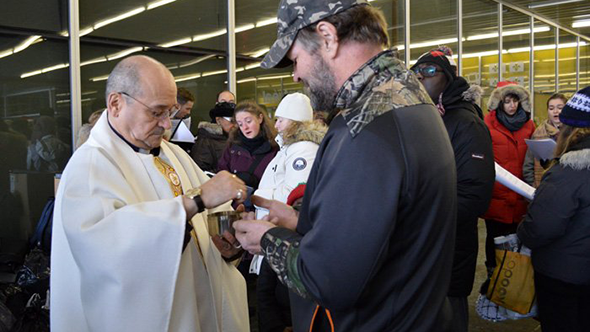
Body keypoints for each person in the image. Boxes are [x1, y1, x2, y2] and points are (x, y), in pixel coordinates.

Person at [233, 1, 457, 331]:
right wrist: (302, 223)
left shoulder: (365, 130)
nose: (296, 75)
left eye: (295, 60)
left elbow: (328, 279)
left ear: (327, 36)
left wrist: (268, 238)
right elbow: (387, 232)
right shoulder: (410, 100)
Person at [50, 55, 249, 332]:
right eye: (156, 112)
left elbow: (208, 236)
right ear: (116, 104)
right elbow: (108, 255)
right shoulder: (91, 165)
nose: (167, 124)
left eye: (171, 112)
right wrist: (194, 203)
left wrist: (229, 244)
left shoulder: (174, 154)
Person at [411, 46, 495, 332]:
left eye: (429, 71)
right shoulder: (424, 120)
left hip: (449, 250)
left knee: (448, 318)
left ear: (447, 77)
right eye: (416, 72)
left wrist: (420, 214)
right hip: (421, 249)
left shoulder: (465, 123)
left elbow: (474, 196)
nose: (421, 77)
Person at [517, 86, 590, 332]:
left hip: (565, 275)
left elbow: (540, 227)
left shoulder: (568, 174)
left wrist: (523, 229)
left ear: (571, 132)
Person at [482, 81, 535, 272]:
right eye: (507, 101)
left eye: (516, 101)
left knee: (519, 241)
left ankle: (514, 282)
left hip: (521, 194)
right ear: (499, 103)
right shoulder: (487, 125)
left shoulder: (529, 126)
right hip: (497, 195)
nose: (512, 105)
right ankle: (492, 275)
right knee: (494, 239)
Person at [255, 92, 326, 213]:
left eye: (280, 120)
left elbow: (294, 195)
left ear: (294, 122)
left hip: (282, 222)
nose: (276, 125)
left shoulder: (304, 149)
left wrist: (257, 196)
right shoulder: (291, 147)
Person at [217, 101, 279, 198]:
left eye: (249, 121)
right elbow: (222, 173)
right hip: (237, 205)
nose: (245, 127)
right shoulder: (232, 146)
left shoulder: (275, 147)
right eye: (240, 124)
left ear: (260, 118)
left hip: (265, 205)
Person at [523, 93, 567, 188]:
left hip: (568, 186)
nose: (555, 111)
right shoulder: (538, 133)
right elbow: (528, 165)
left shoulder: (575, 133)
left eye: (560, 108)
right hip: (544, 186)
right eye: (551, 108)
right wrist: (534, 186)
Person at [191, 91, 237, 172]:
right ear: (218, 120)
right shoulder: (205, 141)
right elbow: (201, 172)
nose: (235, 124)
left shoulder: (239, 138)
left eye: (237, 121)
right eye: (231, 120)